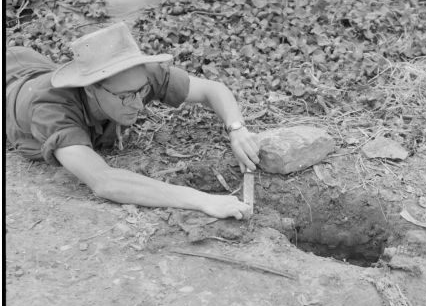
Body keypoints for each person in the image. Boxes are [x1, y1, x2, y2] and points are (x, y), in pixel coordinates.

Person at [6, 22, 260, 220]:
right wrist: (202, 200)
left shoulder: (136, 76)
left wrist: (237, 129)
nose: (139, 105)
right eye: (126, 97)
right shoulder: (52, 110)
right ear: (91, 89)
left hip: (31, 62)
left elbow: (211, 89)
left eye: (142, 92)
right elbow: (104, 181)